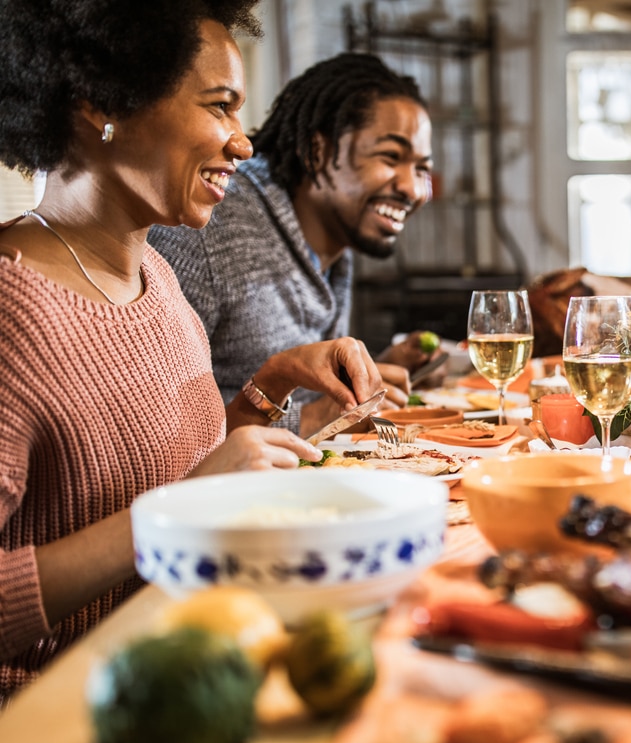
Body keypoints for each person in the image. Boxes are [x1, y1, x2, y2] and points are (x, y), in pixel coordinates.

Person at [0, 0, 387, 705]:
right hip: (74, 716)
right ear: (99, 104)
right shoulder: (12, 310)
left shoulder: (157, 277)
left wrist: (269, 396)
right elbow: (170, 506)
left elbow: (179, 474)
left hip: (197, 664)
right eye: (220, 107)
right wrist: (175, 510)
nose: (243, 144)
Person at [149, 52, 437, 435]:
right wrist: (314, 418)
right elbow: (154, 426)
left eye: (422, 168)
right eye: (390, 157)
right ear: (318, 151)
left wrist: (364, 380)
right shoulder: (209, 222)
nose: (413, 188)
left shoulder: (335, 235)